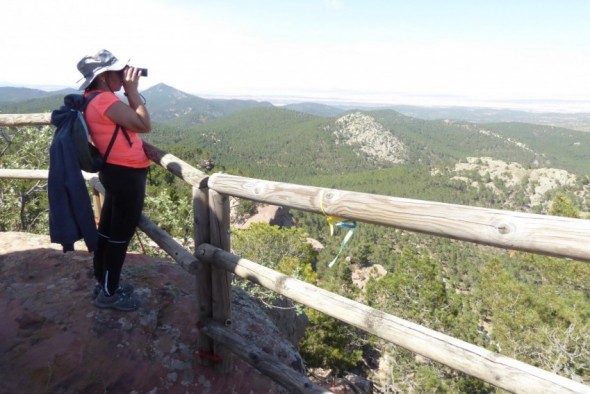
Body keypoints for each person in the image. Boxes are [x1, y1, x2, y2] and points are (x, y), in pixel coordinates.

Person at [76, 49, 151, 311]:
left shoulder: (90, 97)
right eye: (118, 72)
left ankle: (102, 280)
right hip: (126, 174)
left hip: (113, 171)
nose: (123, 75)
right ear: (104, 76)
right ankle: (110, 292)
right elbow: (143, 124)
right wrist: (132, 90)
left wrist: (127, 88)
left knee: (107, 229)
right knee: (120, 235)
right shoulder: (105, 101)